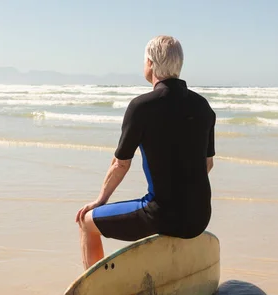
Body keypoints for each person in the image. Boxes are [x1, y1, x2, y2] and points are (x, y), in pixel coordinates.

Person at [75, 35, 216, 270]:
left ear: (150, 64)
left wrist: (100, 201)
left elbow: (121, 164)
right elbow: (207, 164)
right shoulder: (203, 106)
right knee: (164, 210)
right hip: (200, 216)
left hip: (161, 215)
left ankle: (91, 294)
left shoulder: (142, 107)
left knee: (86, 222)